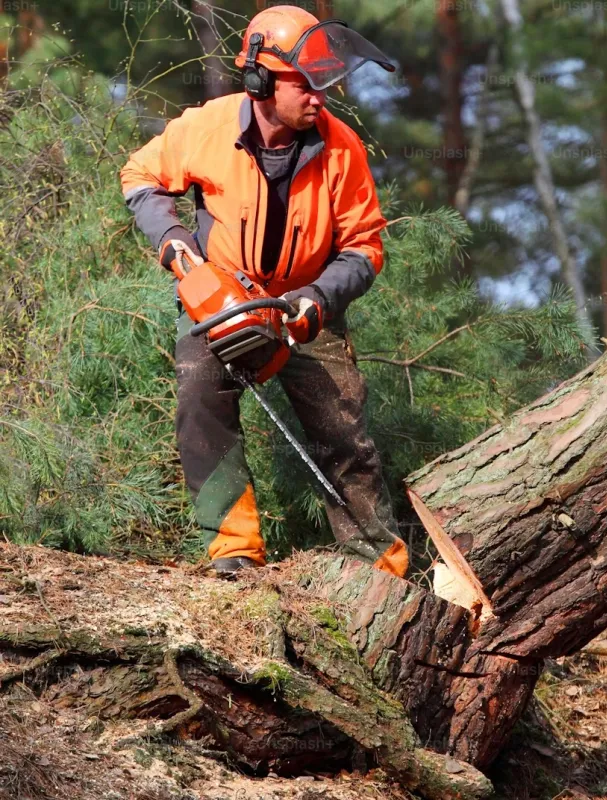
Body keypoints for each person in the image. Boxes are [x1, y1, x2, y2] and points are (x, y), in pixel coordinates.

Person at [120, 5, 408, 578]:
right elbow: (139, 176)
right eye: (305, 85)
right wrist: (174, 240)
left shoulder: (341, 147)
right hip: (222, 292)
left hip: (305, 304)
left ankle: (380, 567)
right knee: (200, 400)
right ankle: (234, 550)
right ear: (259, 80)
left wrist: (320, 297)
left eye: (325, 84)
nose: (319, 97)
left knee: (343, 434)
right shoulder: (207, 126)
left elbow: (365, 248)